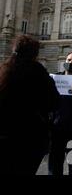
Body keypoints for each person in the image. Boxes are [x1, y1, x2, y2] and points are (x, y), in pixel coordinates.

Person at [0, 35, 60, 175]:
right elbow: (54, 102)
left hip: (4, 135)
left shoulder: (4, 69)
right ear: (35, 53)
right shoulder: (38, 72)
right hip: (30, 137)